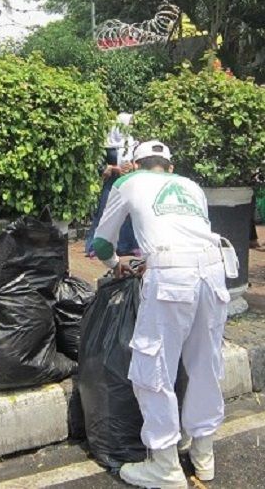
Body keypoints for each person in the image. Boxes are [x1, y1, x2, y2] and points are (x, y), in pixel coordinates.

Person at [93, 140, 230, 489]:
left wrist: (116, 266)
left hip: (171, 276)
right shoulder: (191, 186)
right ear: (169, 167)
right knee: (204, 365)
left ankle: (165, 466)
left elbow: (103, 242)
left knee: (152, 368)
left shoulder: (127, 182)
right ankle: (204, 457)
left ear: (136, 164)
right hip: (215, 271)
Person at [85, 113, 139, 258]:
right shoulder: (107, 144)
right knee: (104, 212)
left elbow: (137, 162)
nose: (131, 127)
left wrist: (132, 167)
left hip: (128, 182)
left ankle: (126, 246)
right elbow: (100, 165)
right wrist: (116, 168)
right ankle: (95, 246)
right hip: (112, 183)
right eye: (129, 123)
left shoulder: (132, 143)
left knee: (128, 213)